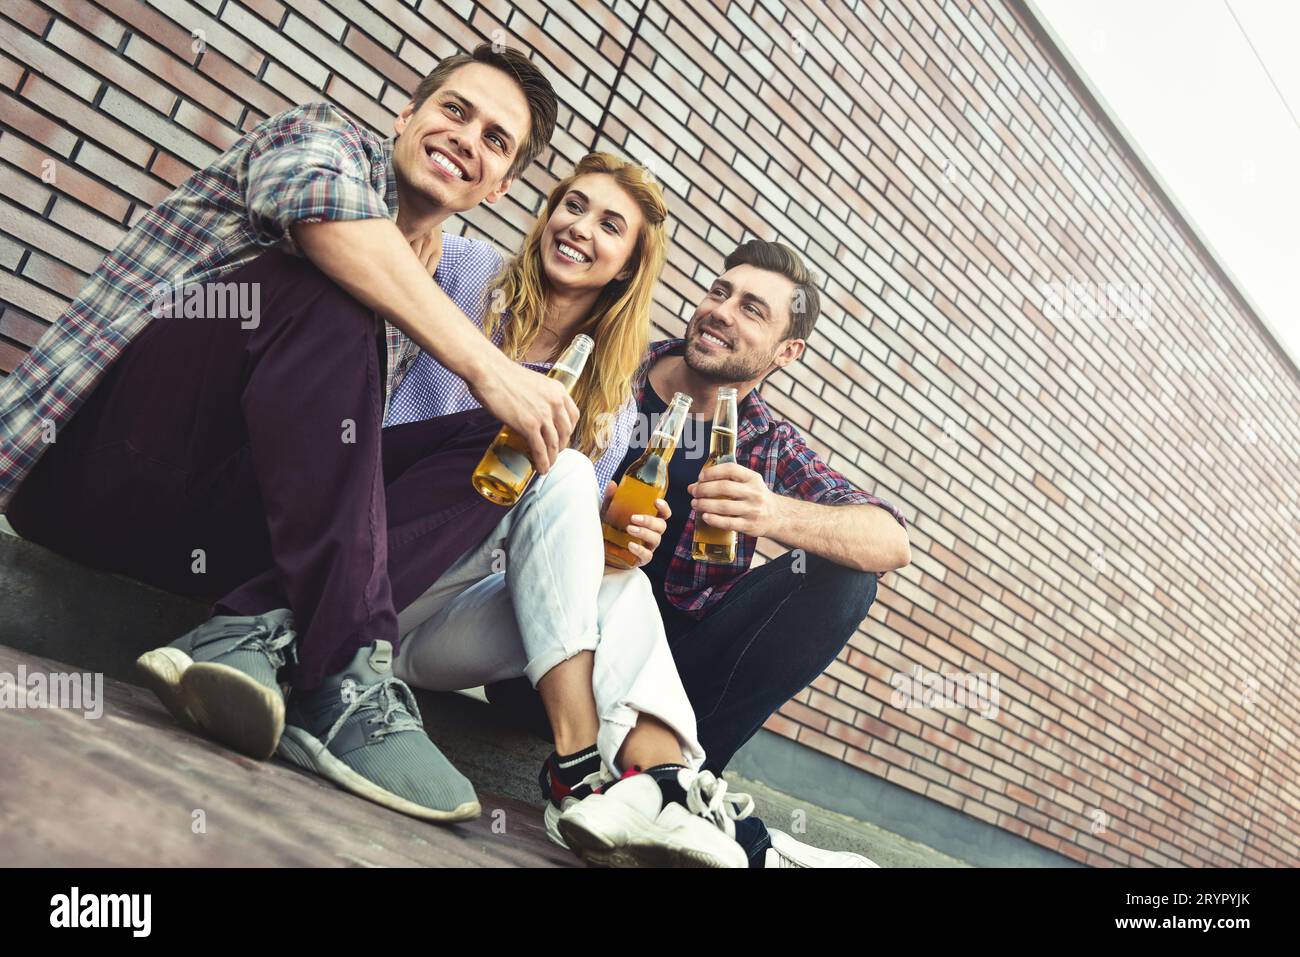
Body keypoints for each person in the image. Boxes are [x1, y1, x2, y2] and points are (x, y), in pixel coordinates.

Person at [0, 43, 577, 824]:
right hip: (88, 471)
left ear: (501, 183)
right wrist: (487, 364)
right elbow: (328, 225)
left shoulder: (425, 269)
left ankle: (251, 629)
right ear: (408, 116)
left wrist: (505, 399)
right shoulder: (318, 137)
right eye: (454, 110)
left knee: (509, 443)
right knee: (329, 282)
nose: (467, 138)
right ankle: (343, 668)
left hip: (204, 539)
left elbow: (331, 457)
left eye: (495, 139)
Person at [487, 239, 912, 867]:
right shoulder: (612, 365)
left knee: (847, 579)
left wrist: (773, 512)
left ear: (787, 351)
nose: (722, 311)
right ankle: (700, 812)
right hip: (545, 648)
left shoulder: (763, 442)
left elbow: (890, 539)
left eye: (752, 310)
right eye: (720, 292)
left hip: (673, 676)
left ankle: (677, 787)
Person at [389, 154, 758, 868]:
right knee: (554, 463)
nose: (580, 227)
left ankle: (659, 787)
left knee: (621, 581)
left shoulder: (611, 404)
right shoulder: (463, 271)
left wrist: (613, 545)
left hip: (434, 632)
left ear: (626, 266)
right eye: (573, 205)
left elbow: (558, 560)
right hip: (374, 567)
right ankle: (581, 767)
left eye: (608, 224)